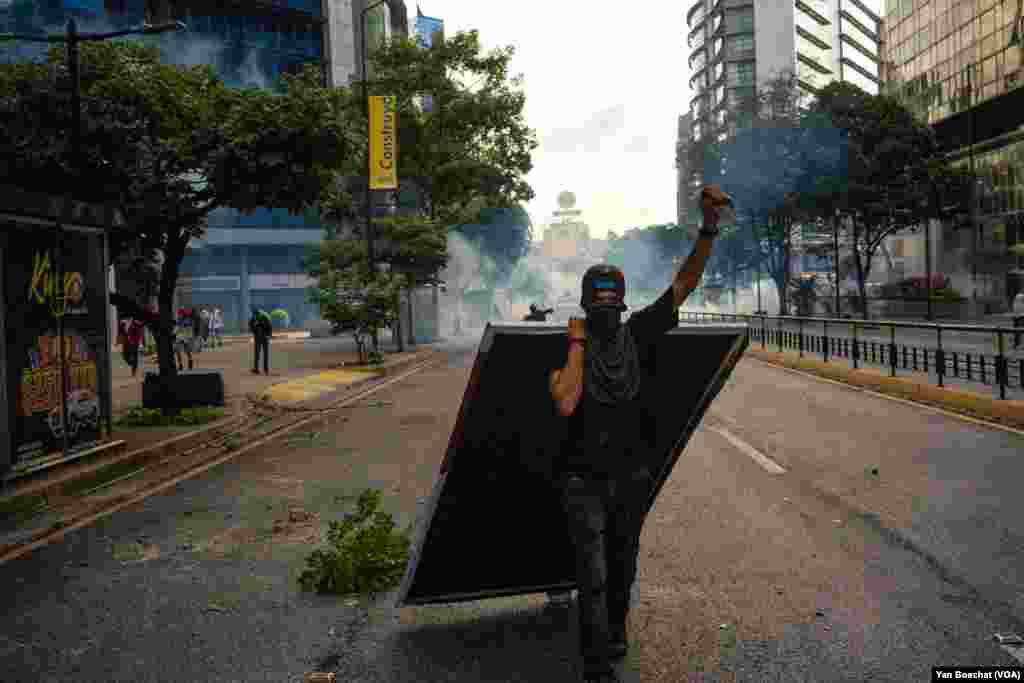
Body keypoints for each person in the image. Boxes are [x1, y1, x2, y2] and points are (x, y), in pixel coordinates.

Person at [547, 185, 731, 683]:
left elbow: (684, 282)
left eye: (612, 300)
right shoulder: (569, 346)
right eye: (598, 301)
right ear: (587, 304)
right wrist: (578, 346)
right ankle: (596, 663)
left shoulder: (641, 333)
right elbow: (565, 400)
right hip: (582, 481)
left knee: (622, 568)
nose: (606, 308)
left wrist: (708, 229)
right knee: (594, 574)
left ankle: (615, 632)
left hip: (630, 477)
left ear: (622, 302)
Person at [249, 306, 273, 374]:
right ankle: (264, 369)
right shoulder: (263, 316)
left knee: (258, 353)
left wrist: (254, 331)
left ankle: (257, 369)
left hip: (260, 337)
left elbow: (251, 326)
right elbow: (270, 326)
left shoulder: (258, 317)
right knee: (264, 354)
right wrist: (269, 334)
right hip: (263, 337)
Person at [175, 307, 197, 371]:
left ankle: (190, 360)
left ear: (183, 314)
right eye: (178, 314)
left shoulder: (187, 320)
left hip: (186, 338)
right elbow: (177, 328)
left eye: (180, 314)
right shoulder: (178, 320)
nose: (179, 315)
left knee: (187, 352)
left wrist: (190, 338)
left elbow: (189, 330)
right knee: (177, 351)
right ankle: (180, 365)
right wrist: (174, 334)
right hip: (179, 337)